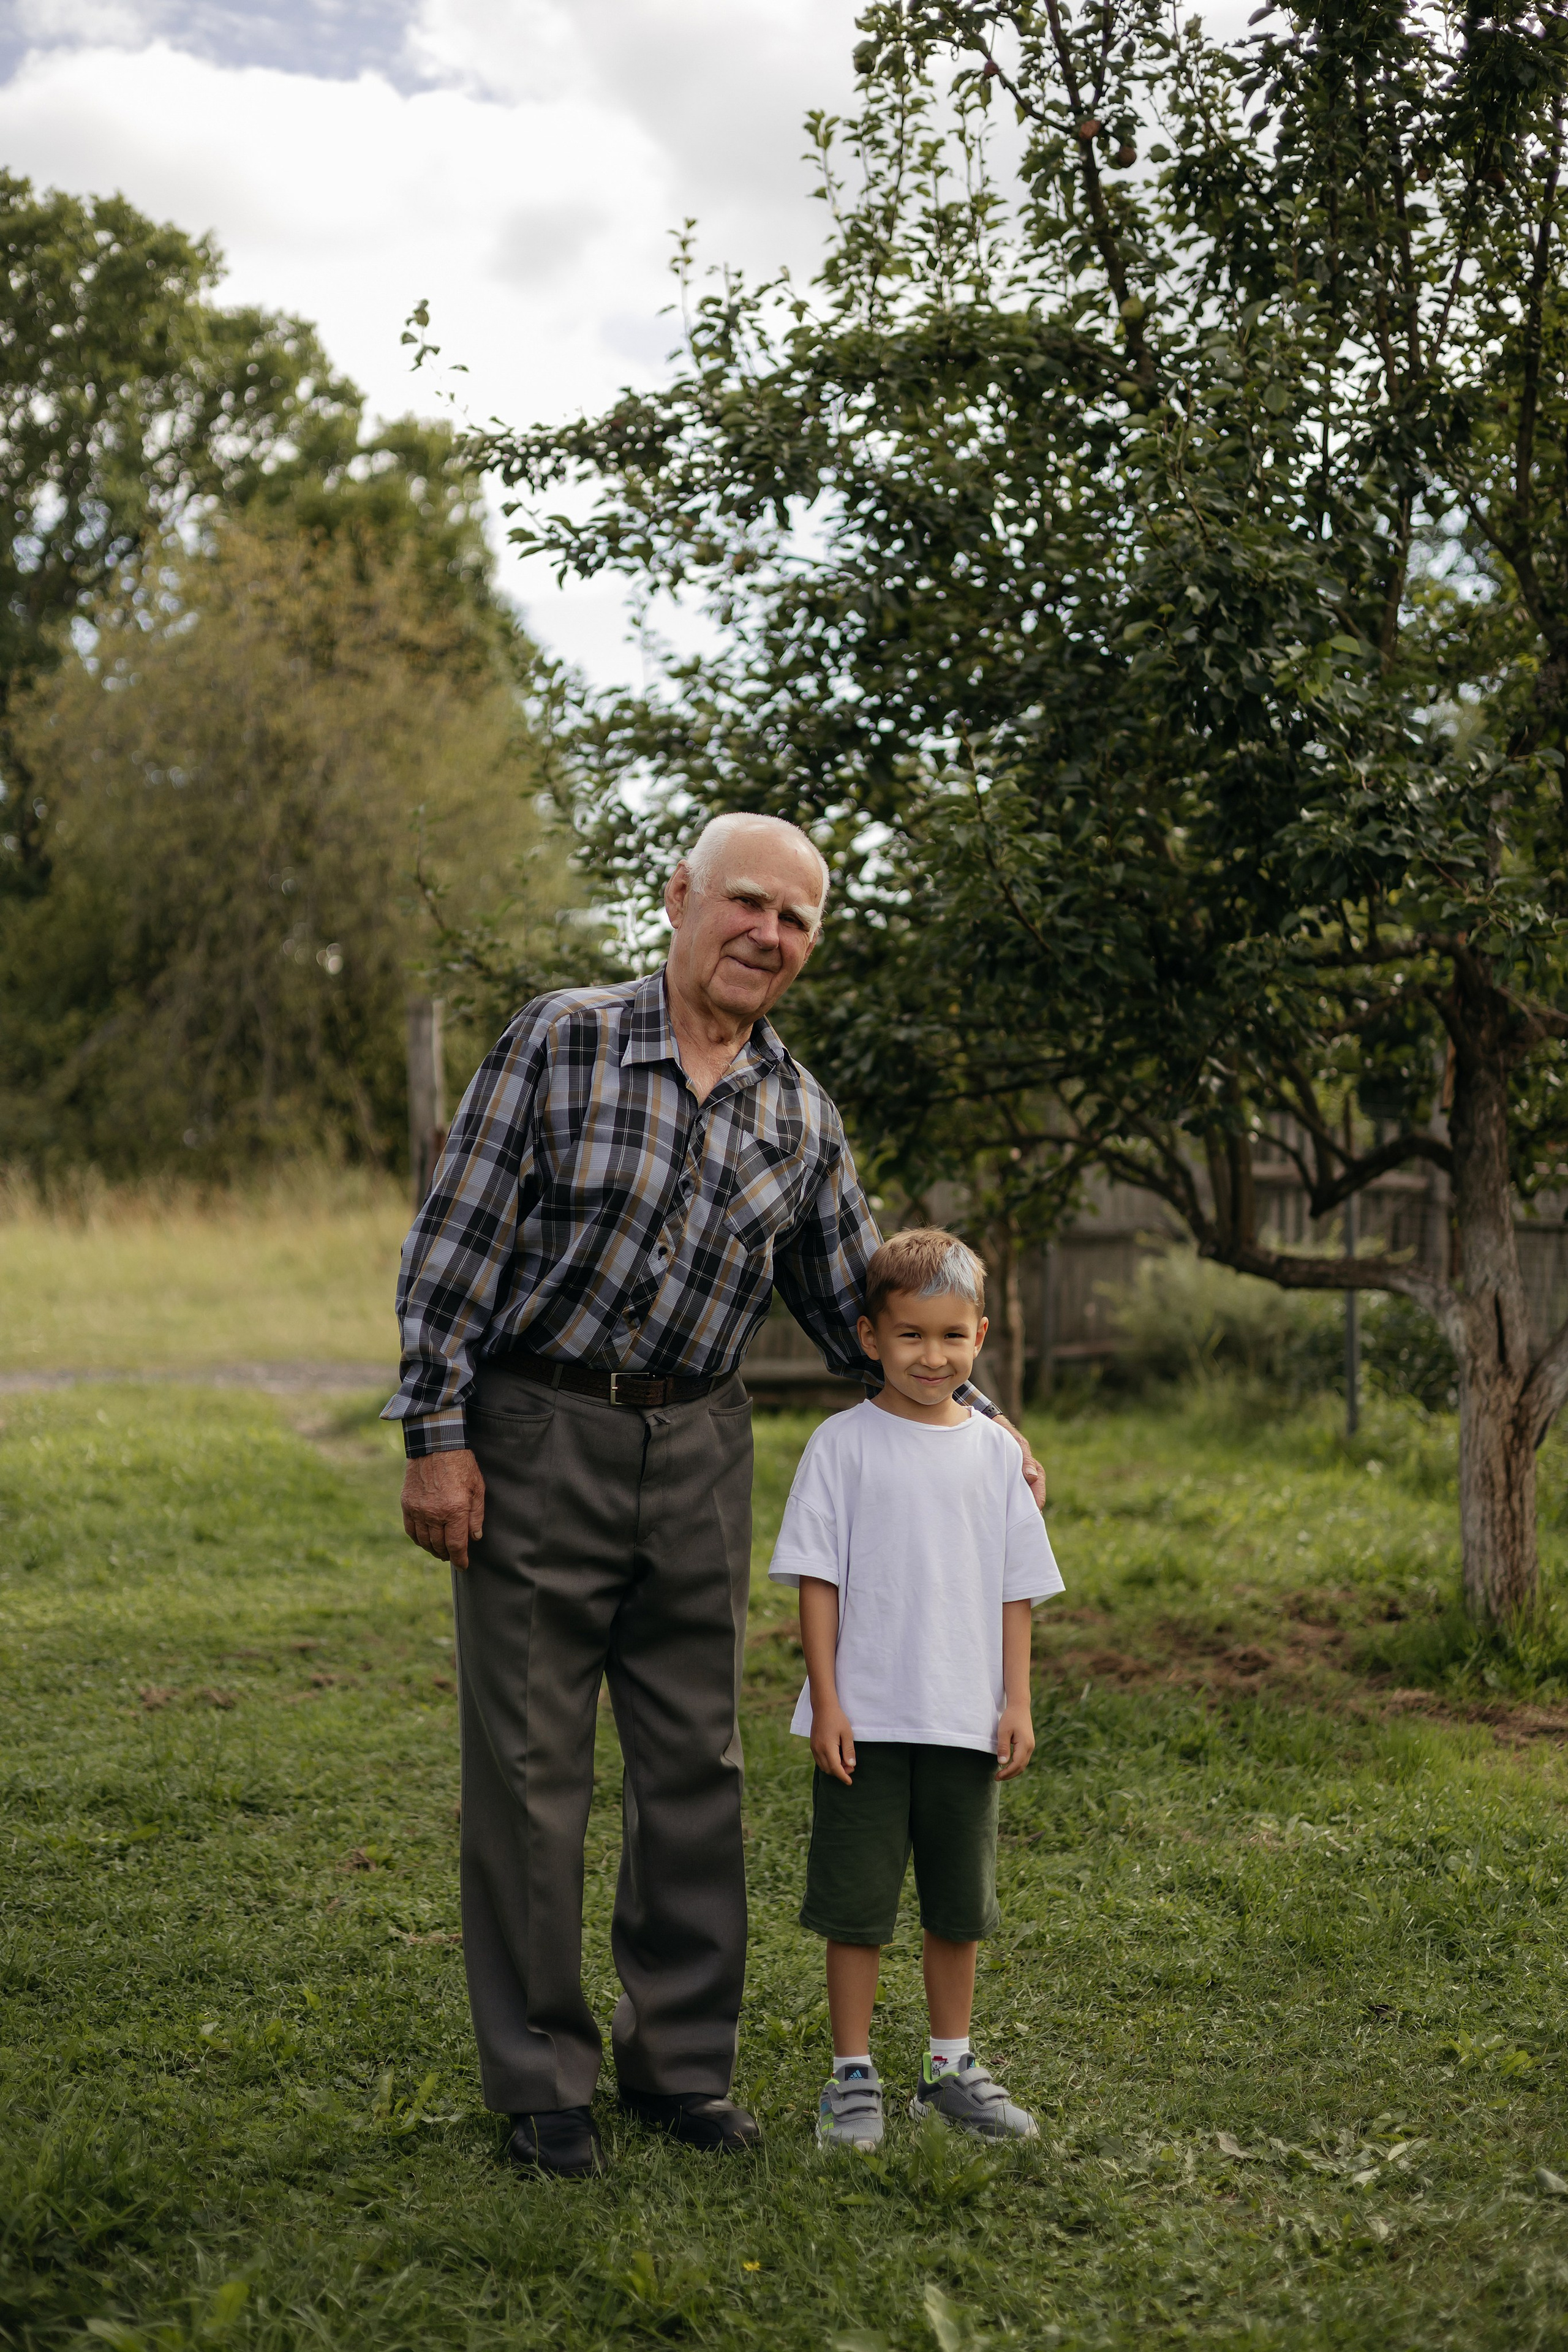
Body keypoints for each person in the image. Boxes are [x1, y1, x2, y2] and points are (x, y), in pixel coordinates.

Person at [385, 813, 1047, 2179]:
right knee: (531, 1767)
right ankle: (542, 2082)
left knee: (695, 1762)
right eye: (748, 902)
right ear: (681, 896)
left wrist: (979, 1416)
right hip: (537, 1429)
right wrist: (436, 1435)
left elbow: (862, 1302)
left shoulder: (800, 1114)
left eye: (796, 919)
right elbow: (454, 1241)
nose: (768, 934)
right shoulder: (560, 1039)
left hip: (698, 1443)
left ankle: (680, 2068)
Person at [767, 1226, 1063, 2154]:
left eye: (951, 1337)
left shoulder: (996, 1457)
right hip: (865, 1722)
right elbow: (817, 1581)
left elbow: (1018, 1590)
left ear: (980, 1338)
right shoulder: (840, 1446)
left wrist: (1016, 1702)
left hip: (963, 1719)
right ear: (869, 1336)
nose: (932, 1357)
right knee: (856, 1907)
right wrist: (827, 1701)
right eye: (910, 1336)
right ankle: (851, 2076)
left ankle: (949, 2069)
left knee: (957, 1905)